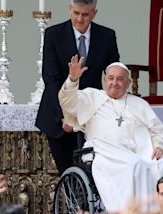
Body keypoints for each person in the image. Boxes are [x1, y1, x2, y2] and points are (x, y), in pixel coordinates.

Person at [59, 58, 163, 211]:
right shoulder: (92, 97)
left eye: (120, 79)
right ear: (104, 80)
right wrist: (73, 79)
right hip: (105, 153)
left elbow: (156, 129)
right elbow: (67, 102)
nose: (114, 82)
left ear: (128, 83)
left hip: (138, 152)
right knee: (135, 165)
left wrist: (159, 146)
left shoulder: (139, 104)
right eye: (111, 78)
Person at [35, 0, 120, 175]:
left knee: (94, 173)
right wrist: (65, 116)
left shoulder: (107, 36)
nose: (80, 19)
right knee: (69, 174)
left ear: (94, 13)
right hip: (60, 118)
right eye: (76, 13)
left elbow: (113, 73)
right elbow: (50, 79)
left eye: (85, 14)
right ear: (70, 10)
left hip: (92, 116)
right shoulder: (53, 34)